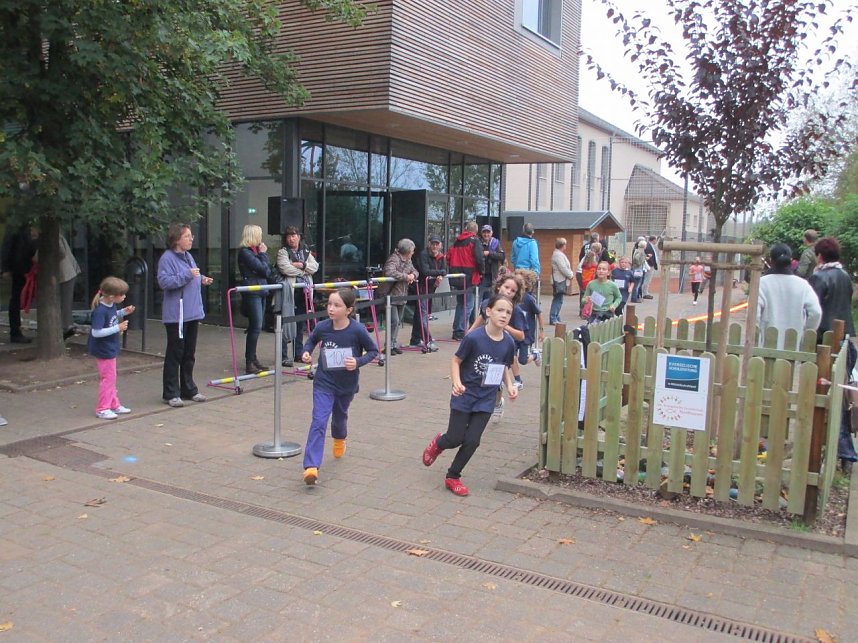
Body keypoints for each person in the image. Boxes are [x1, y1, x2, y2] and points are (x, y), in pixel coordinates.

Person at [421, 294, 518, 497]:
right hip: (464, 395)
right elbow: (456, 361)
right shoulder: (474, 338)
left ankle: (453, 476)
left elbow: (504, 366)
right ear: (488, 312)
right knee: (455, 438)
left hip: (486, 398)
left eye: (508, 312)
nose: (504, 315)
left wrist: (510, 385)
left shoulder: (508, 342)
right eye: (500, 310)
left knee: (473, 440)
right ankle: (439, 443)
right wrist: (456, 382)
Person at [300, 288, 378, 485]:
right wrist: (306, 353)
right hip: (323, 383)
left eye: (337, 305)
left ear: (349, 310)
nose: (331, 309)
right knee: (318, 421)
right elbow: (310, 342)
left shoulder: (357, 330)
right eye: (329, 304)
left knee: (340, 417)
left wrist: (358, 362)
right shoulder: (322, 327)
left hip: (346, 384)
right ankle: (311, 467)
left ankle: (339, 438)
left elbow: (373, 351)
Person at [157, 223, 214, 408]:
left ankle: (188, 388)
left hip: (192, 312)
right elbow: (165, 281)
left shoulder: (188, 256)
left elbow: (192, 275)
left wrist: (201, 278)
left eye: (191, 236)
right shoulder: (167, 258)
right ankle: (171, 392)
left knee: (189, 353)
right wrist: (188, 275)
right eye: (188, 236)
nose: (191, 239)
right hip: (177, 315)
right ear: (176, 239)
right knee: (175, 353)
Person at [467, 273, 525, 414]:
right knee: (480, 374)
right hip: (484, 345)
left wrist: (506, 327)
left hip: (503, 350)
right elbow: (481, 317)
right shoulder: (487, 303)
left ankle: (497, 403)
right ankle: (479, 403)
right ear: (499, 286)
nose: (509, 292)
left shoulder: (515, 310)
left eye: (513, 291)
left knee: (495, 380)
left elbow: (521, 336)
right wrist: (470, 331)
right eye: (507, 287)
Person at [88, 277, 135, 420]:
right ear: (111, 296)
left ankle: (113, 404)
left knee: (111, 377)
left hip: (110, 348)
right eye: (122, 294)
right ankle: (103, 408)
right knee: (108, 379)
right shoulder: (100, 311)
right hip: (103, 350)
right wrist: (118, 328)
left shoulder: (110, 305)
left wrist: (123, 312)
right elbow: (96, 332)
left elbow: (113, 316)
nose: (124, 296)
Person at [757, 243, 821, 350]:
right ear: (791, 261)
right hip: (794, 346)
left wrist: (757, 334)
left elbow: (754, 314)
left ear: (771, 260)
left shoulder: (761, 283)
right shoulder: (803, 285)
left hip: (766, 346)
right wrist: (806, 332)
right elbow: (816, 312)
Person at [276, 226, 318, 367]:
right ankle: (282, 356)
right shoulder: (283, 252)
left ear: (299, 237)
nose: (291, 238)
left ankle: (297, 354)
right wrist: (303, 271)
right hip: (288, 293)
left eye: (293, 235)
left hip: (303, 293)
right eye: (288, 236)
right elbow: (284, 268)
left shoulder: (306, 252)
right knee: (285, 323)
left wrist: (302, 264)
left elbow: (315, 267)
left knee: (299, 324)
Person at [238, 224, 272, 374]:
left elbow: (267, 271)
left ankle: (253, 358)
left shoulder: (254, 252)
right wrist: (264, 254)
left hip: (261, 291)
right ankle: (249, 361)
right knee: (256, 326)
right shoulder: (245, 253)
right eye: (259, 235)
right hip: (253, 292)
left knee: (257, 326)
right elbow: (264, 269)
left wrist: (261, 256)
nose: (261, 238)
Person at [809, 237, 855, 343]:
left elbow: (813, 306)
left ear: (819, 256)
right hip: (843, 330)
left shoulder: (818, 277)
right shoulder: (845, 275)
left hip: (824, 333)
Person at [447, 221, 484, 340]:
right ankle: (461, 330)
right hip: (470, 276)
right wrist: (481, 272)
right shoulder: (475, 241)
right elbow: (479, 258)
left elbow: (449, 257)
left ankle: (457, 330)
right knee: (468, 305)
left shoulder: (457, 242)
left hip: (456, 275)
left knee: (460, 304)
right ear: (476, 231)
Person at [1, 225, 37, 343]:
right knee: (16, 299)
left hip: (25, 266)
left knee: (18, 298)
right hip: (19, 267)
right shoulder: (17, 227)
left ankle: (16, 331)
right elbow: (7, 246)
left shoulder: (26, 227)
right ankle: (15, 332)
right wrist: (5, 268)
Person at [382, 239, 418, 355]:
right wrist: (406, 277)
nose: (413, 252)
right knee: (394, 320)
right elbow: (389, 272)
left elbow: (415, 271)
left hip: (402, 295)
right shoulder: (394, 258)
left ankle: (393, 344)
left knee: (398, 322)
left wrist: (413, 275)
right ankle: (388, 346)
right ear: (407, 250)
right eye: (412, 250)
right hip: (391, 295)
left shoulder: (408, 260)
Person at [410, 235, 446, 350]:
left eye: (437, 244)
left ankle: (415, 339)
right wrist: (440, 273)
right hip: (421, 287)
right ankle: (428, 340)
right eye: (433, 243)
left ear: (440, 245)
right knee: (423, 314)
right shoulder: (423, 255)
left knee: (421, 313)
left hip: (431, 289)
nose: (435, 246)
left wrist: (440, 274)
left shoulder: (441, 256)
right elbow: (425, 271)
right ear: (429, 244)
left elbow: (446, 270)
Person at [514, 269, 544, 387]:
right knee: (512, 357)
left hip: (526, 334)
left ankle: (535, 355)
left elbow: (539, 314)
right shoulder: (512, 297)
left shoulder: (529, 299)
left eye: (519, 281)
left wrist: (541, 331)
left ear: (526, 285)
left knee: (523, 360)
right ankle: (518, 380)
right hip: (514, 333)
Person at [58, 232, 82, 340]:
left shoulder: (52, 235)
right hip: (67, 271)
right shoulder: (58, 234)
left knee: (65, 301)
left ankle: (66, 327)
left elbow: (61, 253)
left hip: (65, 272)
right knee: (65, 301)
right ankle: (67, 326)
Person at [550, 237, 574, 325]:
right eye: (565, 244)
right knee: (558, 299)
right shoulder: (558, 255)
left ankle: (556, 316)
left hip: (560, 279)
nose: (566, 246)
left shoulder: (558, 254)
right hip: (559, 280)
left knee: (559, 299)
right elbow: (563, 268)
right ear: (562, 245)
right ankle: (553, 317)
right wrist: (571, 275)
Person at [478, 224, 505, 301]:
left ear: (491, 233)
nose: (486, 234)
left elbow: (502, 256)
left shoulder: (496, 243)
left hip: (493, 276)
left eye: (488, 232)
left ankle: (485, 313)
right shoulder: (478, 243)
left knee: (490, 300)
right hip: (482, 277)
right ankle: (477, 313)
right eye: (484, 232)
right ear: (481, 233)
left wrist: (490, 253)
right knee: (478, 299)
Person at [577, 242, 601, 315]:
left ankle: (584, 310)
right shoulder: (592, 255)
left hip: (582, 274)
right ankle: (585, 311)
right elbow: (590, 266)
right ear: (598, 249)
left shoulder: (590, 254)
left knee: (584, 292)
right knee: (586, 292)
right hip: (584, 275)